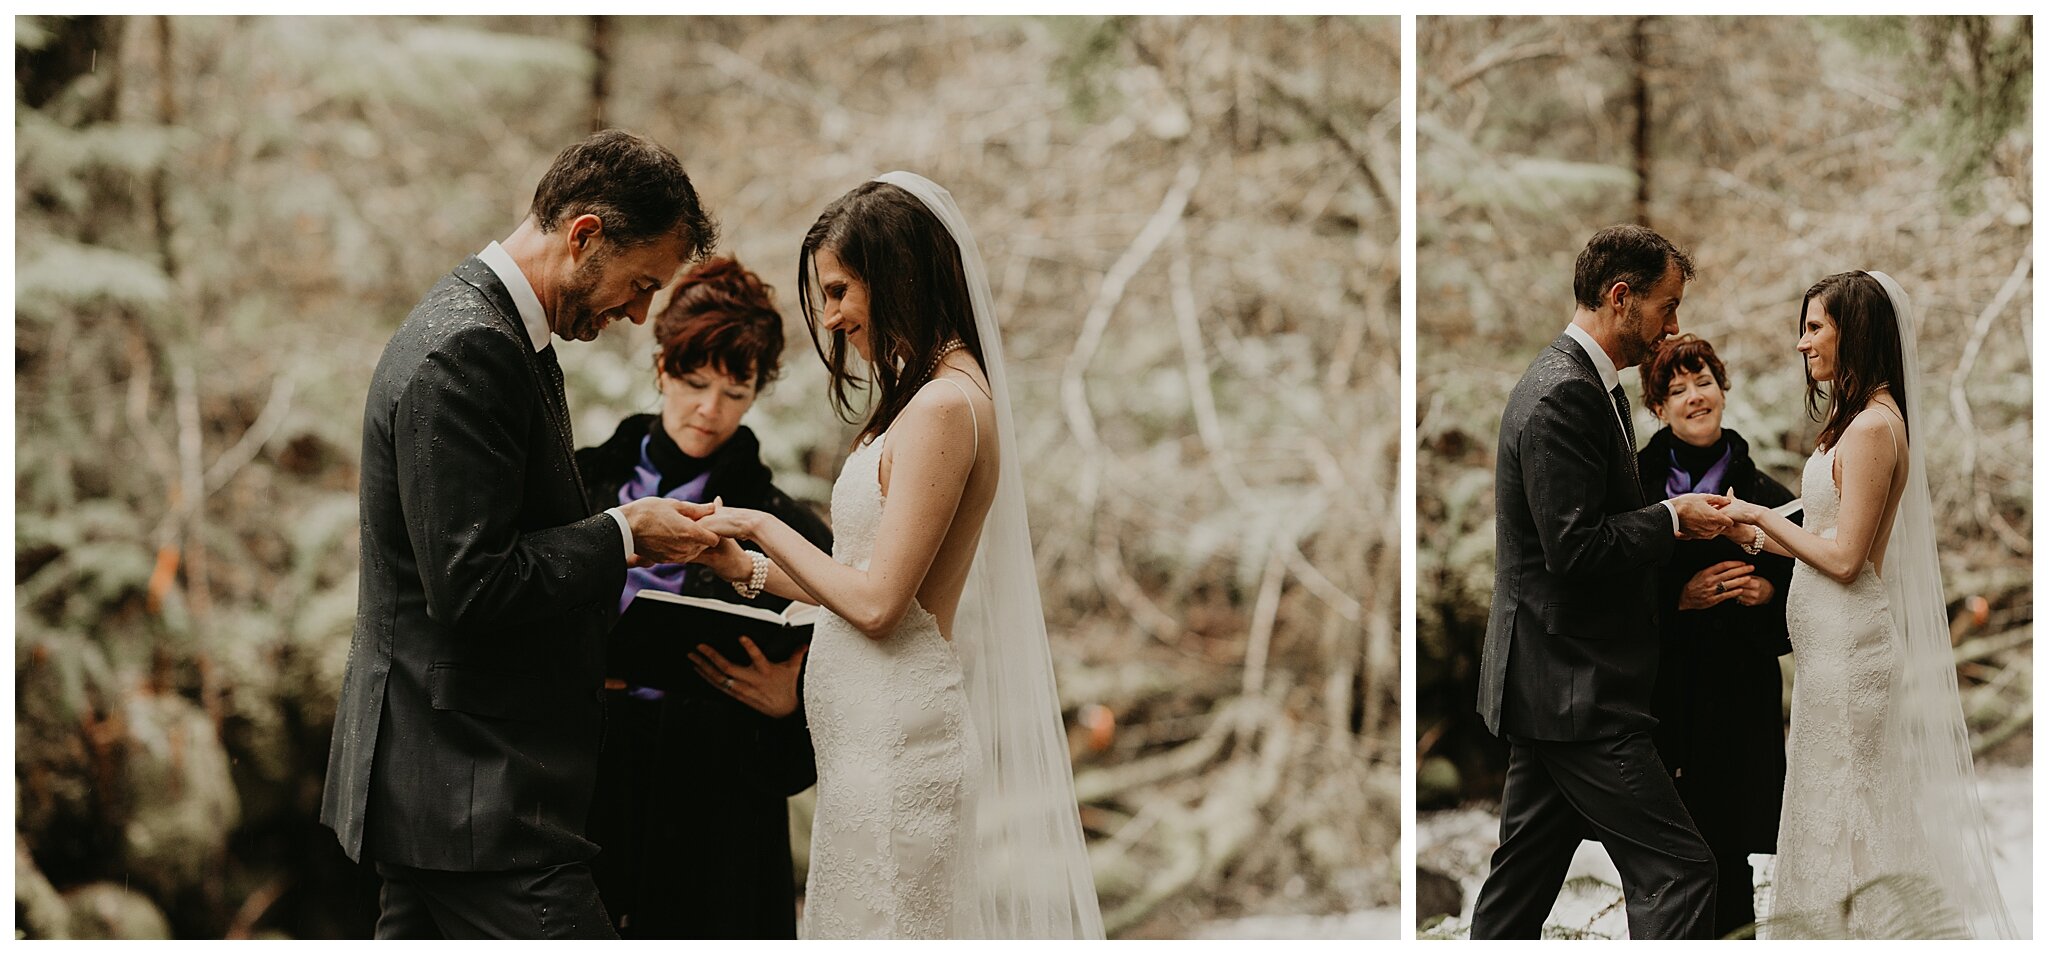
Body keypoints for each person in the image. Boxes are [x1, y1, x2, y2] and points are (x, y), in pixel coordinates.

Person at [320, 129, 721, 939]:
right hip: (478, 798)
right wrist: (622, 533)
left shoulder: (502, 334)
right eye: (640, 284)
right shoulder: (470, 346)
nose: (641, 313)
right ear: (584, 236)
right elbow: (471, 582)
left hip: (453, 795)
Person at [687, 174, 1102, 938]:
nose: (832, 317)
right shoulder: (926, 395)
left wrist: (761, 527)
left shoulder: (946, 406)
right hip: (863, 749)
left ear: (898, 274)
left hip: (897, 751)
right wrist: (740, 568)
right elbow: (857, 580)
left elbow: (880, 606)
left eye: (840, 290)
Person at [1717, 271, 2012, 938]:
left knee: (1852, 821)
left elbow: (1850, 559)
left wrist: (1764, 517)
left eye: (1815, 327)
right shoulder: (1853, 423)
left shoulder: (1876, 427)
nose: (1801, 344)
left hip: (1852, 657)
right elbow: (1827, 538)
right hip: (1829, 659)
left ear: (1855, 332)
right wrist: (1761, 532)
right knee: (1828, 812)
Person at [1470, 224, 1731, 940]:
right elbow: (1575, 547)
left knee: (1517, 889)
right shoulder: (1562, 394)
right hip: (1574, 687)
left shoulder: (1593, 385)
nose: (1673, 326)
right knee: (1680, 870)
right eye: (1665, 306)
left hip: (1554, 681)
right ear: (1621, 298)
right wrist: (1672, 518)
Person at [575, 256, 831, 938]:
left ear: (757, 392)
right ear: (660, 368)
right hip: (579, 806)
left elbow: (855, 694)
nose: (709, 410)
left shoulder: (793, 531)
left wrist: (789, 707)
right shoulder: (576, 489)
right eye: (693, 381)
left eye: (734, 389)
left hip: (719, 825)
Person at [1633, 334, 1797, 938]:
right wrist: (1678, 599)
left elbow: (1808, 601)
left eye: (1703, 382)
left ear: (1723, 391)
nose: (1694, 398)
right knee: (1666, 860)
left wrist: (1767, 597)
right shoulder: (1634, 490)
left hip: (1740, 705)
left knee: (1731, 858)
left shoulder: (1773, 499)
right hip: (1663, 702)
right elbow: (1606, 593)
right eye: (1676, 391)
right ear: (1657, 409)